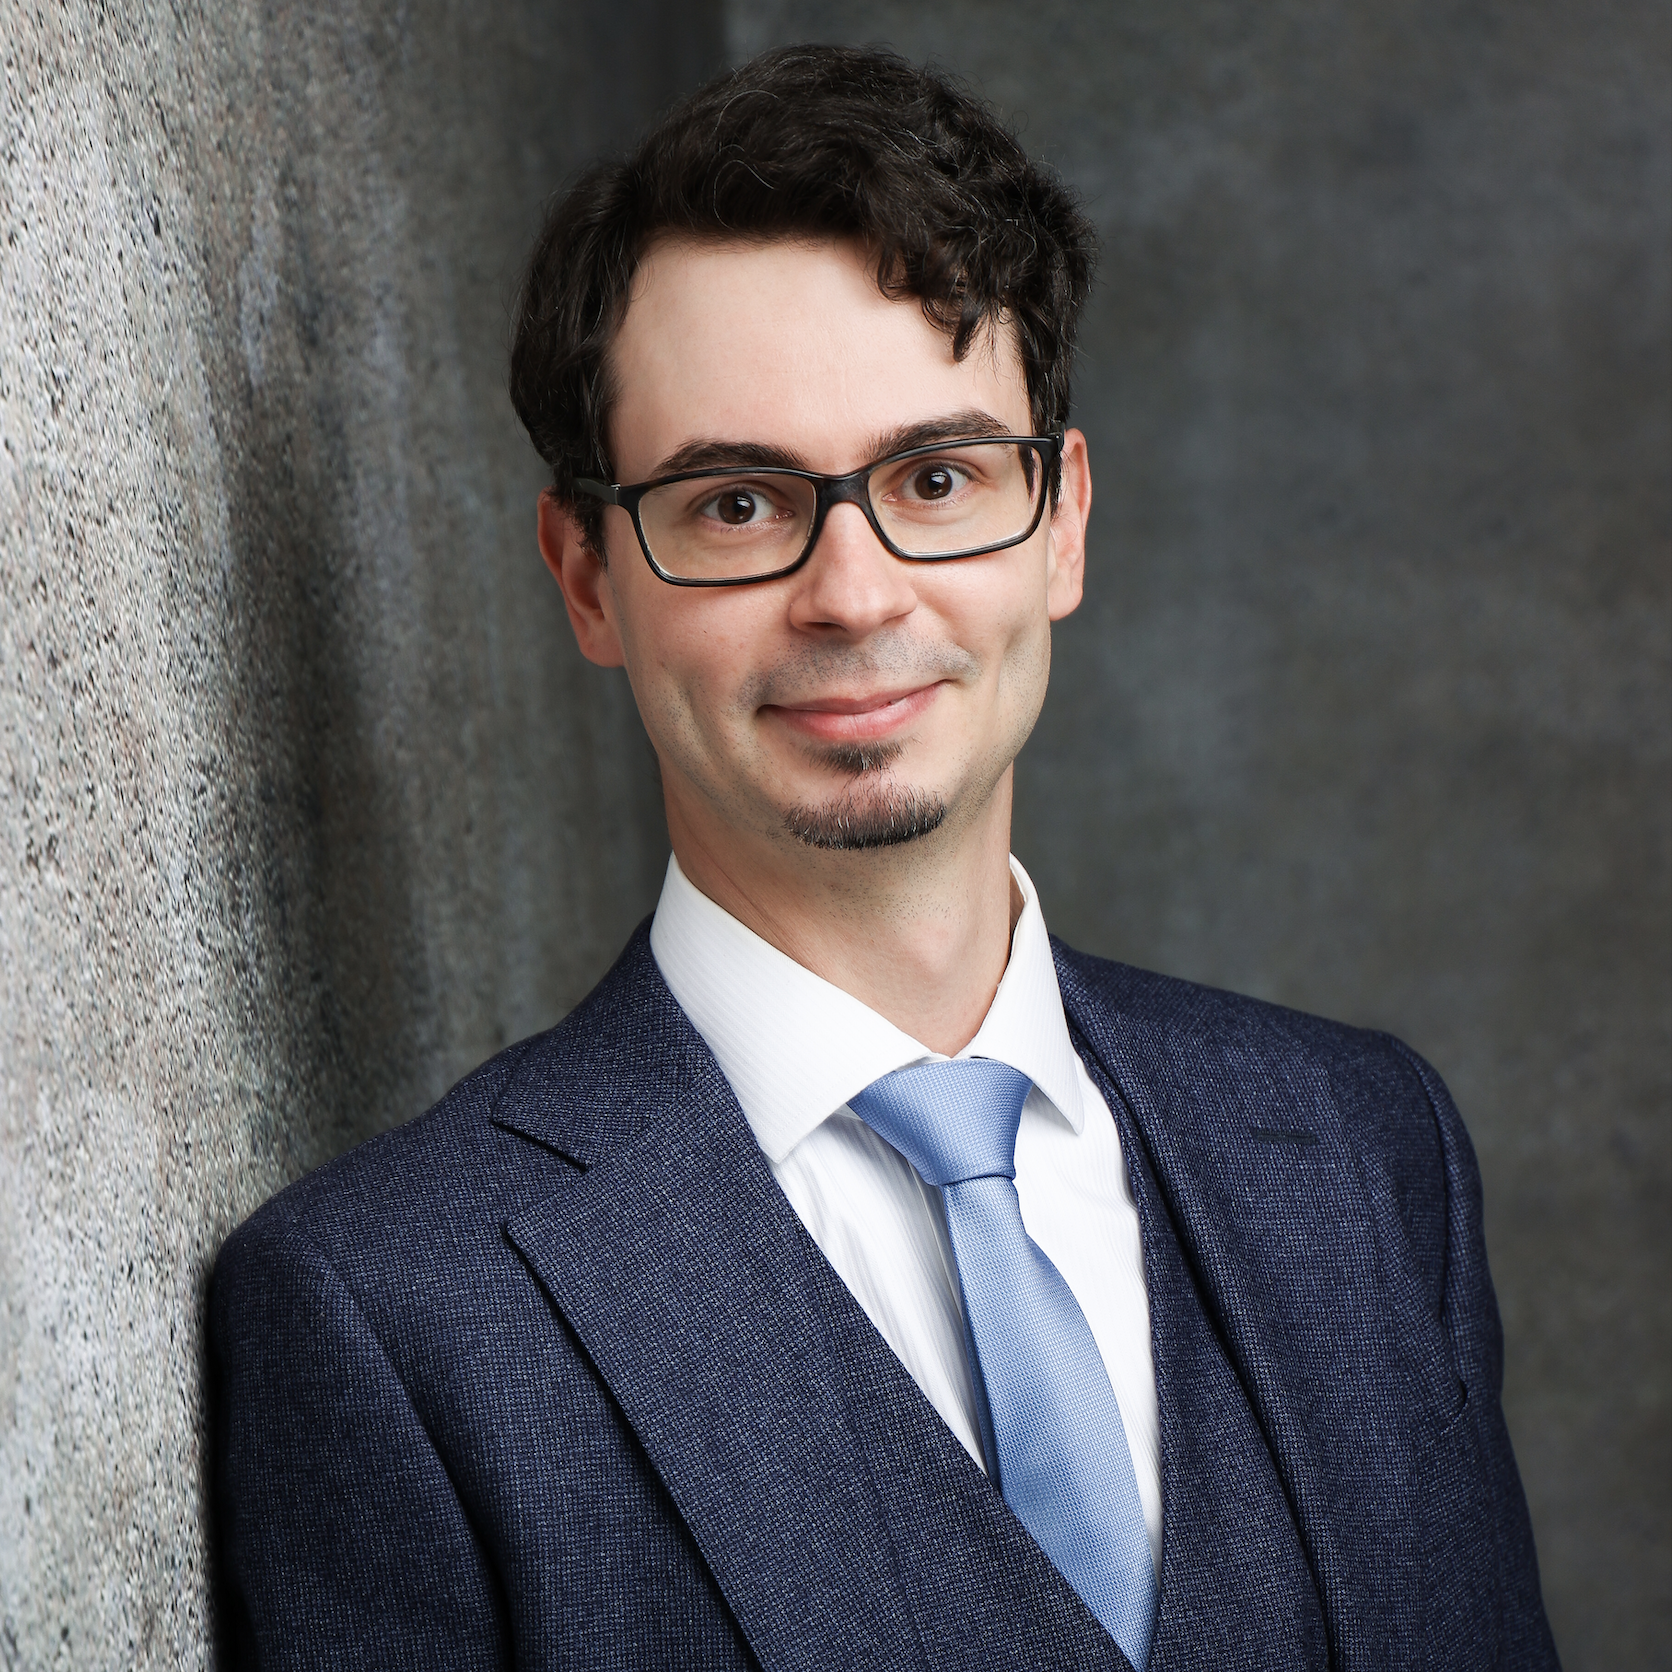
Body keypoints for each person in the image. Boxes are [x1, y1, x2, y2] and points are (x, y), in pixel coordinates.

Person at [209, 44, 1558, 1671]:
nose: (854, 595)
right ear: (586, 577)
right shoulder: (394, 1316)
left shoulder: (1364, 1152)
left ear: (1061, 522)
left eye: (937, 477)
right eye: (734, 504)